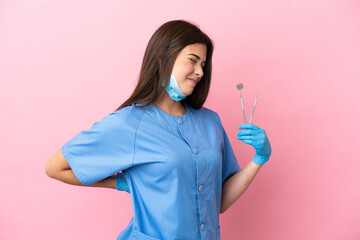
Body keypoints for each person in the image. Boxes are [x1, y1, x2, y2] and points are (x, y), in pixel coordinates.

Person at [45, 20, 272, 240]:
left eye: (203, 64)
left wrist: (259, 158)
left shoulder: (210, 122)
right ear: (164, 59)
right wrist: (122, 183)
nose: (200, 72)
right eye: (192, 61)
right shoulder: (130, 124)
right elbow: (56, 167)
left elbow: (219, 203)